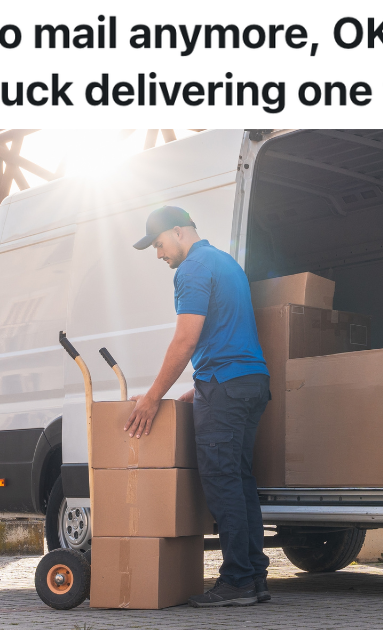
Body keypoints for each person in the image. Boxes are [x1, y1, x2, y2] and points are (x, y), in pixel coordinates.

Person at [125, 205, 272, 607]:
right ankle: (255, 579)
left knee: (223, 486)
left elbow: (186, 340)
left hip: (226, 387)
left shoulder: (189, 270)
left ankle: (238, 581)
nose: (159, 255)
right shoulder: (226, 263)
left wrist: (152, 398)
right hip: (250, 382)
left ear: (178, 232)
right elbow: (227, 335)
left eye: (158, 245)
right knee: (240, 484)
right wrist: (198, 388)